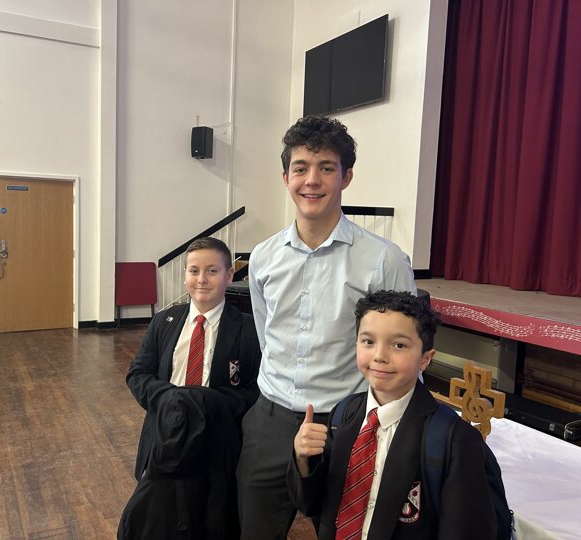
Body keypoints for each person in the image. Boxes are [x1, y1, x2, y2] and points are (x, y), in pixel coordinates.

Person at [236, 115, 417, 539]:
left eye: (326, 168)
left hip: (346, 424)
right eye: (300, 168)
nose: (312, 180)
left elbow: (403, 348)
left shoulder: (383, 260)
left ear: (346, 177)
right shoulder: (263, 257)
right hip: (270, 421)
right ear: (286, 177)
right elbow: (266, 335)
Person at [289, 291, 497, 539]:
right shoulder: (343, 414)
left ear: (426, 359)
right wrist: (303, 460)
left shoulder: (454, 440)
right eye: (368, 341)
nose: (379, 356)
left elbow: (465, 531)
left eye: (399, 345)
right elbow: (312, 503)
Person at [127, 236, 261, 482]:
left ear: (229, 275)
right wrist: (172, 400)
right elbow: (138, 374)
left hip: (219, 440)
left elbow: (256, 389)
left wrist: (207, 404)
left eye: (212, 271)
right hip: (165, 434)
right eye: (194, 271)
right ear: (185, 275)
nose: (201, 279)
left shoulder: (249, 329)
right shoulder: (163, 322)